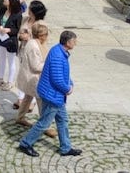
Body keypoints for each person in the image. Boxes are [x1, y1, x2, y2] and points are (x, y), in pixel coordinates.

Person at [17, 30, 82, 158]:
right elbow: (57, 79)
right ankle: (25, 143)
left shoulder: (57, 50)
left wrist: (70, 82)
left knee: (62, 120)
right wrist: (68, 89)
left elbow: (63, 74)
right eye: (74, 41)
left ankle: (65, 147)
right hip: (53, 96)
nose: (76, 43)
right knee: (44, 123)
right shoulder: (58, 56)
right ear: (68, 42)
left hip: (53, 95)